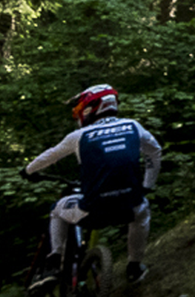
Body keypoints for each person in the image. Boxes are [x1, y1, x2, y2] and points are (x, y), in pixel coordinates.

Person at [22, 83, 161, 289]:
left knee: (57, 211)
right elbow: (155, 151)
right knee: (142, 212)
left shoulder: (79, 136)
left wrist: (28, 171)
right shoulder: (133, 126)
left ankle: (53, 261)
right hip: (129, 206)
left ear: (92, 108)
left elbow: (50, 155)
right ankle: (134, 266)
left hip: (91, 210)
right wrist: (147, 185)